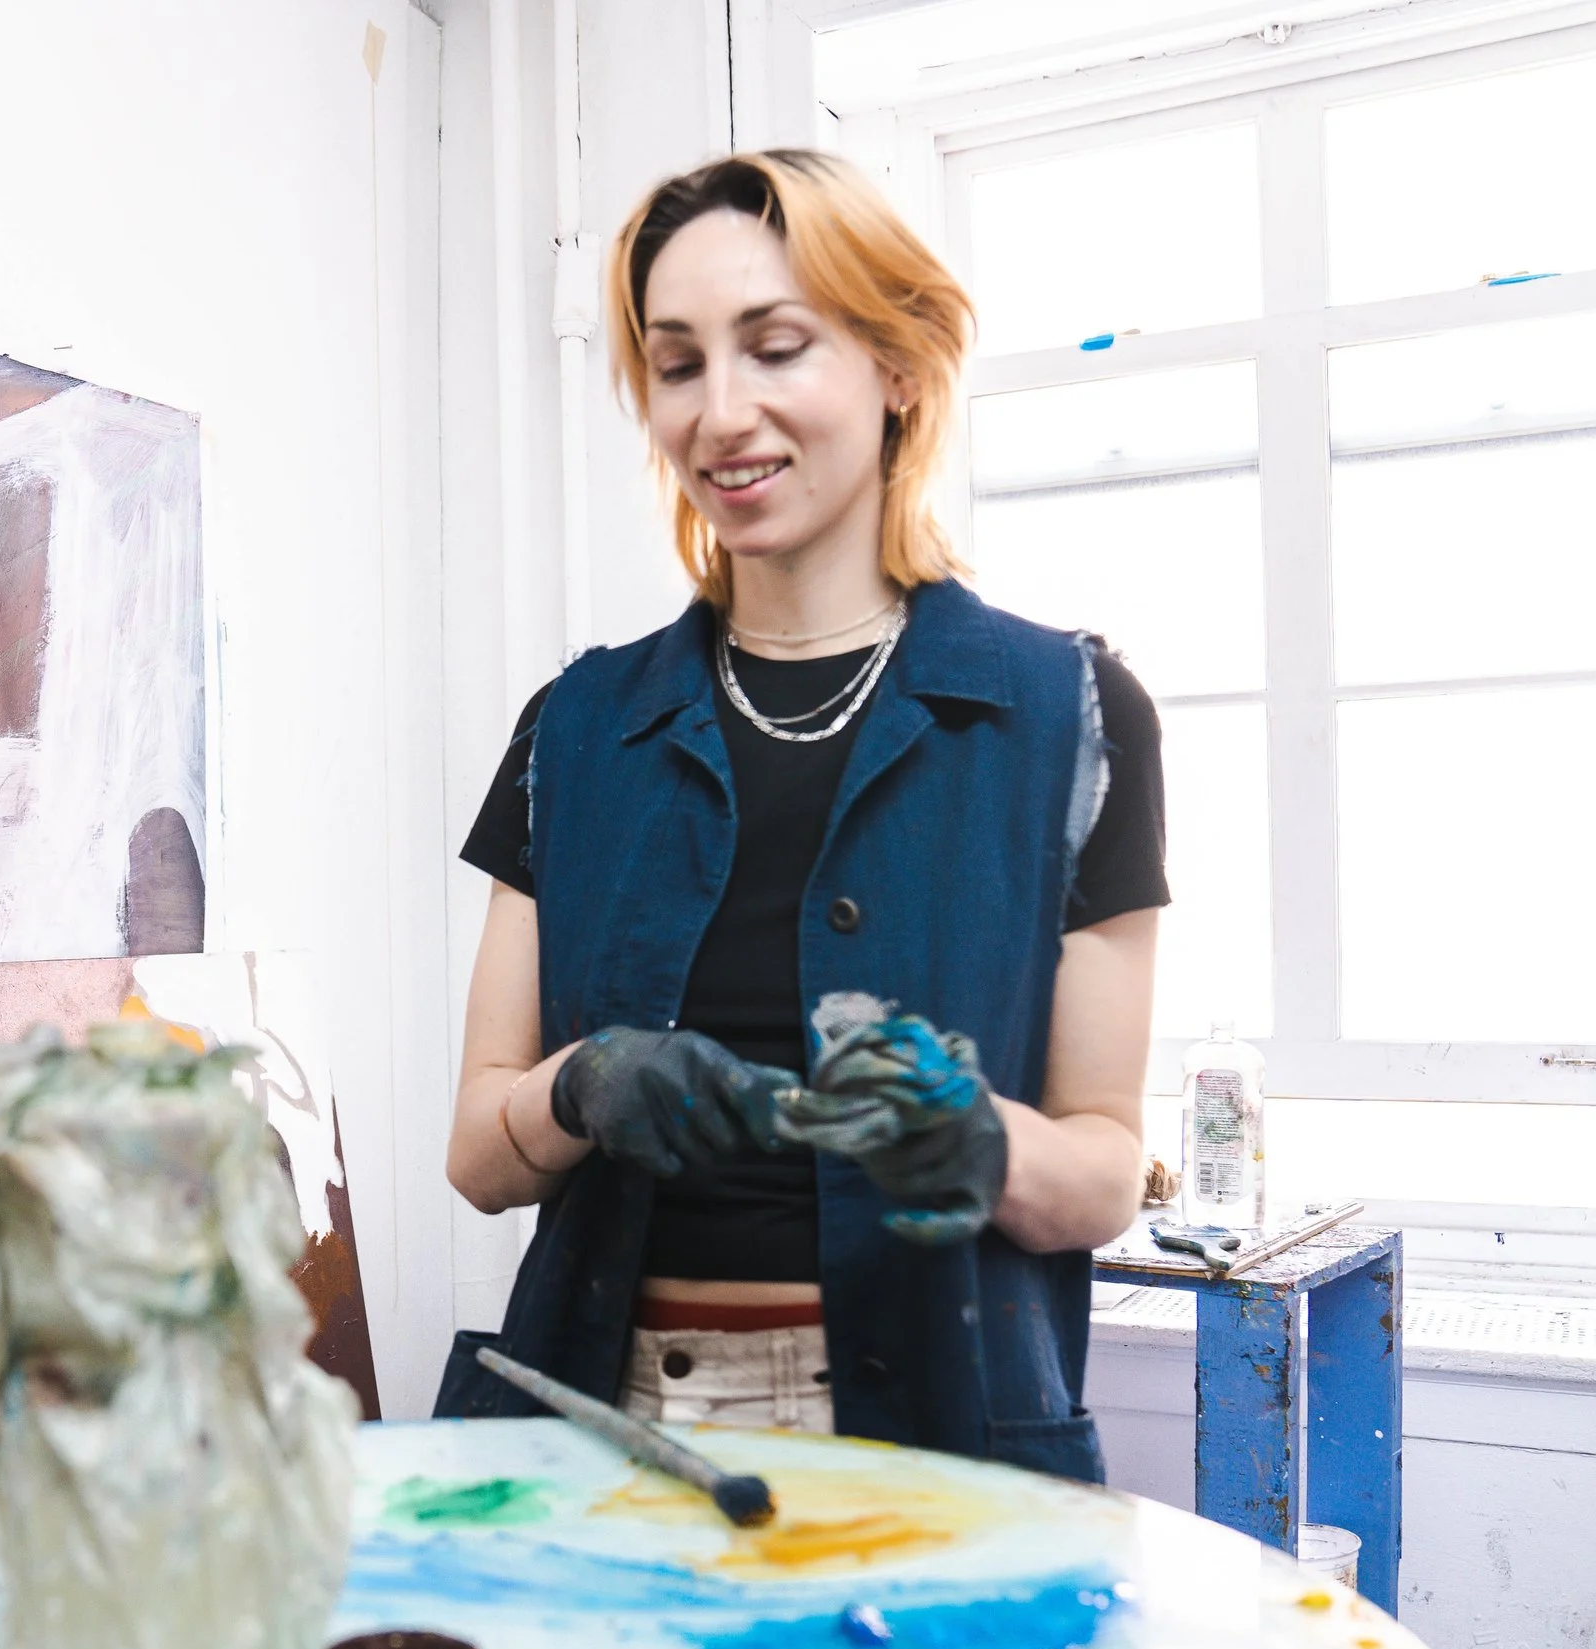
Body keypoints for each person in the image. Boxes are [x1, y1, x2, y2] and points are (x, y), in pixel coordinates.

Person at [431, 150, 1167, 1483]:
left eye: (775, 347)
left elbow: (1107, 1176)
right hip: (603, 1451)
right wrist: (585, 1082)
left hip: (943, 1452)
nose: (722, 412)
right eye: (676, 363)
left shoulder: (1068, 714)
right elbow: (482, 1157)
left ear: (897, 367)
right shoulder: (578, 730)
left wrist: (978, 1140)